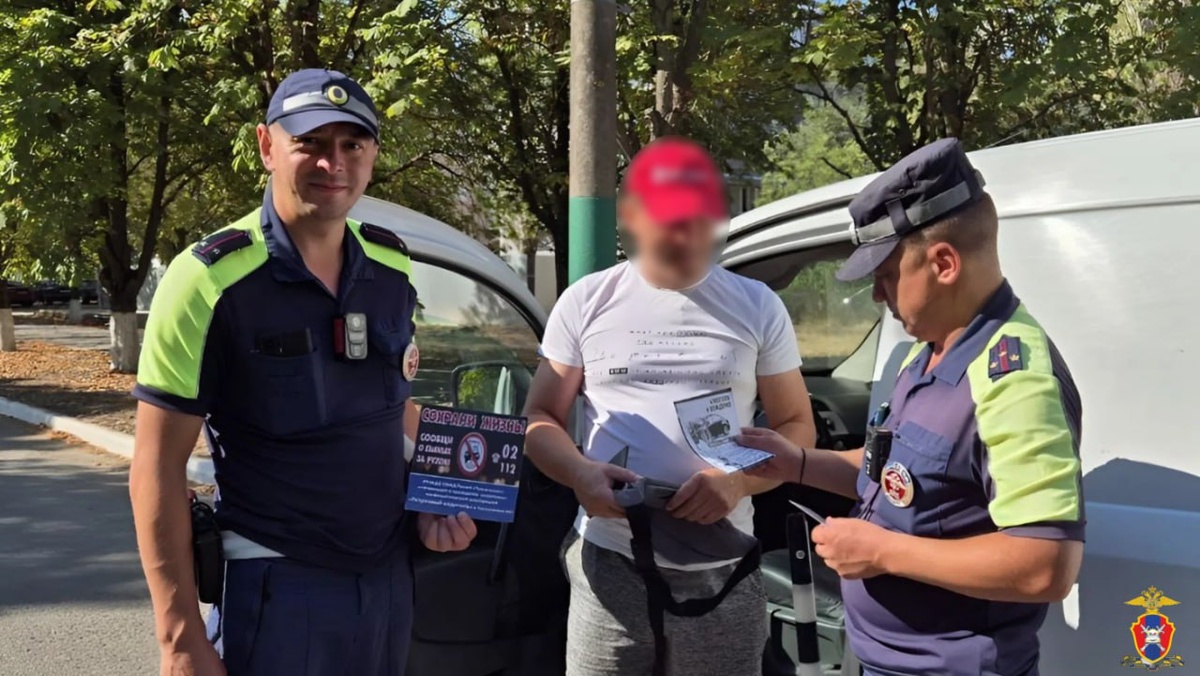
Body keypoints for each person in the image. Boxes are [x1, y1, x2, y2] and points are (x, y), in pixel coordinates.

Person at [128, 68, 477, 676]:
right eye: (309, 142)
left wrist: (438, 498)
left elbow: (393, 410)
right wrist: (179, 639)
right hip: (279, 584)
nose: (332, 162)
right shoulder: (208, 279)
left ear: (372, 155)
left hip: (388, 580)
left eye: (351, 145)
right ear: (267, 146)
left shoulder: (390, 266)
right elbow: (156, 464)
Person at [739, 138, 1085, 676]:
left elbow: (1045, 565)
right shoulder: (932, 351)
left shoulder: (1012, 380)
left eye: (886, 275)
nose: (879, 295)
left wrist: (881, 552)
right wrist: (797, 463)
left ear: (944, 263)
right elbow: (893, 473)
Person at [522, 136, 817, 676]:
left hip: (723, 565)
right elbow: (540, 418)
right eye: (670, 222)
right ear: (632, 217)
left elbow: (797, 426)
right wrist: (581, 475)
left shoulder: (757, 306)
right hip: (610, 562)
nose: (686, 237)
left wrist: (736, 482)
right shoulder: (585, 302)